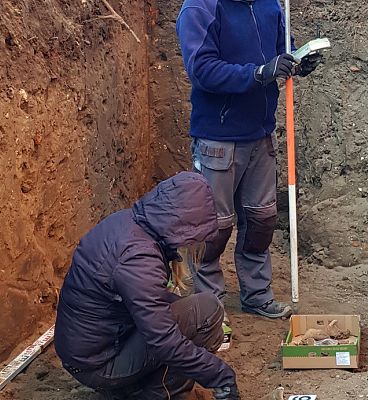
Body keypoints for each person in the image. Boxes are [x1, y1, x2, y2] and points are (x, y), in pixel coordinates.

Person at [176, 0, 322, 319]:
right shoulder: (200, 9)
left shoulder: (269, 5)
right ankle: (209, 308)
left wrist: (297, 61)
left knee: (261, 220)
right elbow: (201, 69)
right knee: (212, 226)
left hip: (260, 135)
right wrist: (258, 73)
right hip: (218, 137)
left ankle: (256, 295)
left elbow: (282, 51)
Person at [54, 172, 240, 400]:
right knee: (206, 312)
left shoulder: (128, 222)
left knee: (188, 309)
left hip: (89, 348)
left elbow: (150, 304)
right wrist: (221, 376)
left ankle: (137, 387)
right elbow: (163, 340)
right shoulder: (139, 258)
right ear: (185, 224)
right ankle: (159, 394)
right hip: (99, 364)